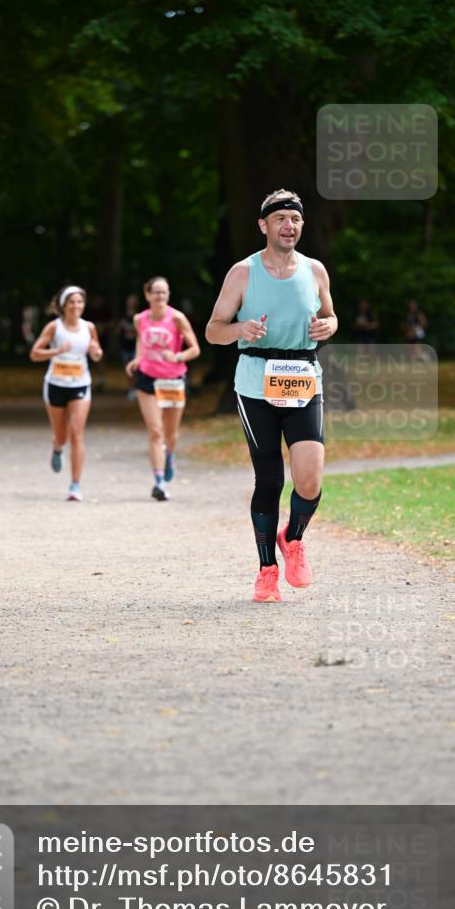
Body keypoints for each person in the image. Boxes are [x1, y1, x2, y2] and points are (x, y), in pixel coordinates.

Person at [205, 189, 337, 603]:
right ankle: (266, 570)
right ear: (263, 226)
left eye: (295, 219)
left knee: (310, 479)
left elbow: (330, 315)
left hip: (302, 376)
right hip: (255, 383)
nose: (289, 226)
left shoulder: (315, 270)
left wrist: (328, 327)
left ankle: (292, 538)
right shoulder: (242, 273)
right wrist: (239, 331)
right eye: (280, 219)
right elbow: (213, 329)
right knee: (269, 478)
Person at [125, 276, 200, 501]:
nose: (160, 296)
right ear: (147, 294)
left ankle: (169, 456)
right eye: (156, 292)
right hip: (147, 379)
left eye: (164, 292)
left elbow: (195, 349)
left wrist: (177, 356)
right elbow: (141, 341)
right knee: (155, 431)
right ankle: (159, 482)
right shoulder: (140, 319)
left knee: (170, 435)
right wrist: (138, 358)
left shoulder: (177, 318)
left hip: (173, 380)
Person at [29, 284, 103, 502]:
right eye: (72, 302)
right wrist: (57, 351)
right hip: (55, 384)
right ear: (64, 305)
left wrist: (96, 352)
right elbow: (35, 354)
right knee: (61, 435)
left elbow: (97, 354)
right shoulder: (54, 327)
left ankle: (75, 485)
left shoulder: (89, 327)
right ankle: (57, 447)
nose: (76, 306)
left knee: (77, 434)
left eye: (80, 302)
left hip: (80, 384)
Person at [117, 293, 140, 400]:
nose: (131, 304)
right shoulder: (122, 316)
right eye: (130, 301)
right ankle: (131, 389)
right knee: (128, 370)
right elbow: (117, 330)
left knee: (137, 370)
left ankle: (137, 389)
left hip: (136, 347)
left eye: (133, 302)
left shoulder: (140, 316)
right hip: (125, 346)